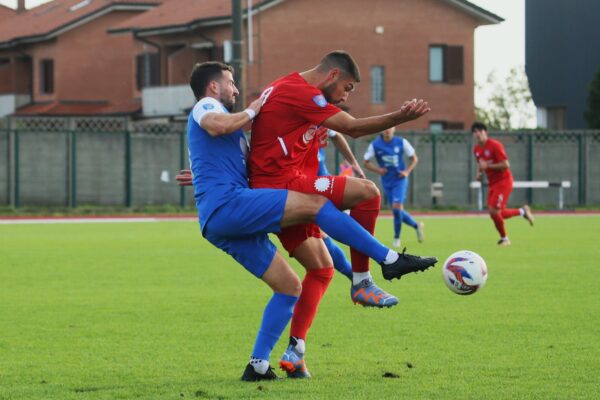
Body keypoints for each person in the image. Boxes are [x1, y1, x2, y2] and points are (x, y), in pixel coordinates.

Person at [184, 61, 436, 381]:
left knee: (290, 287)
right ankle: (386, 259)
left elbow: (232, 159)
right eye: (231, 82)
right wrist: (252, 110)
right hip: (231, 207)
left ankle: (258, 365)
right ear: (214, 87)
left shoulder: (247, 119)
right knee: (321, 204)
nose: (235, 88)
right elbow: (215, 125)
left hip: (225, 219)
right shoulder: (209, 105)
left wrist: (200, 174)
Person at [472, 122, 534, 245]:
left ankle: (505, 239)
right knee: (496, 212)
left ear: (485, 132)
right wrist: (479, 174)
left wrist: (487, 166)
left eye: (480, 131)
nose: (477, 134)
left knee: (494, 211)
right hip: (493, 183)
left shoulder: (495, 145)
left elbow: (505, 164)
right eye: (475, 132)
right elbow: (481, 165)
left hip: (504, 181)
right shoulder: (476, 149)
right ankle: (522, 211)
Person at [363, 127, 424, 248]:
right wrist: (378, 170)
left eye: (390, 128)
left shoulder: (401, 142)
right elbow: (365, 162)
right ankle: (417, 226)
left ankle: (396, 238)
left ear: (394, 129)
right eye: (385, 128)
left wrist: (407, 171)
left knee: (396, 208)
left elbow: (414, 158)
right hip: (386, 181)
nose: (387, 130)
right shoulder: (375, 145)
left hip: (399, 179)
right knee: (397, 211)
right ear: (381, 130)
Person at [317, 128, 366, 280]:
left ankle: (358, 277)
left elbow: (336, 134)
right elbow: (352, 125)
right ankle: (358, 278)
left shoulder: (320, 114)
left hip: (321, 181)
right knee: (315, 239)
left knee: (367, 192)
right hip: (300, 184)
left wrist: (353, 163)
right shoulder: (294, 114)